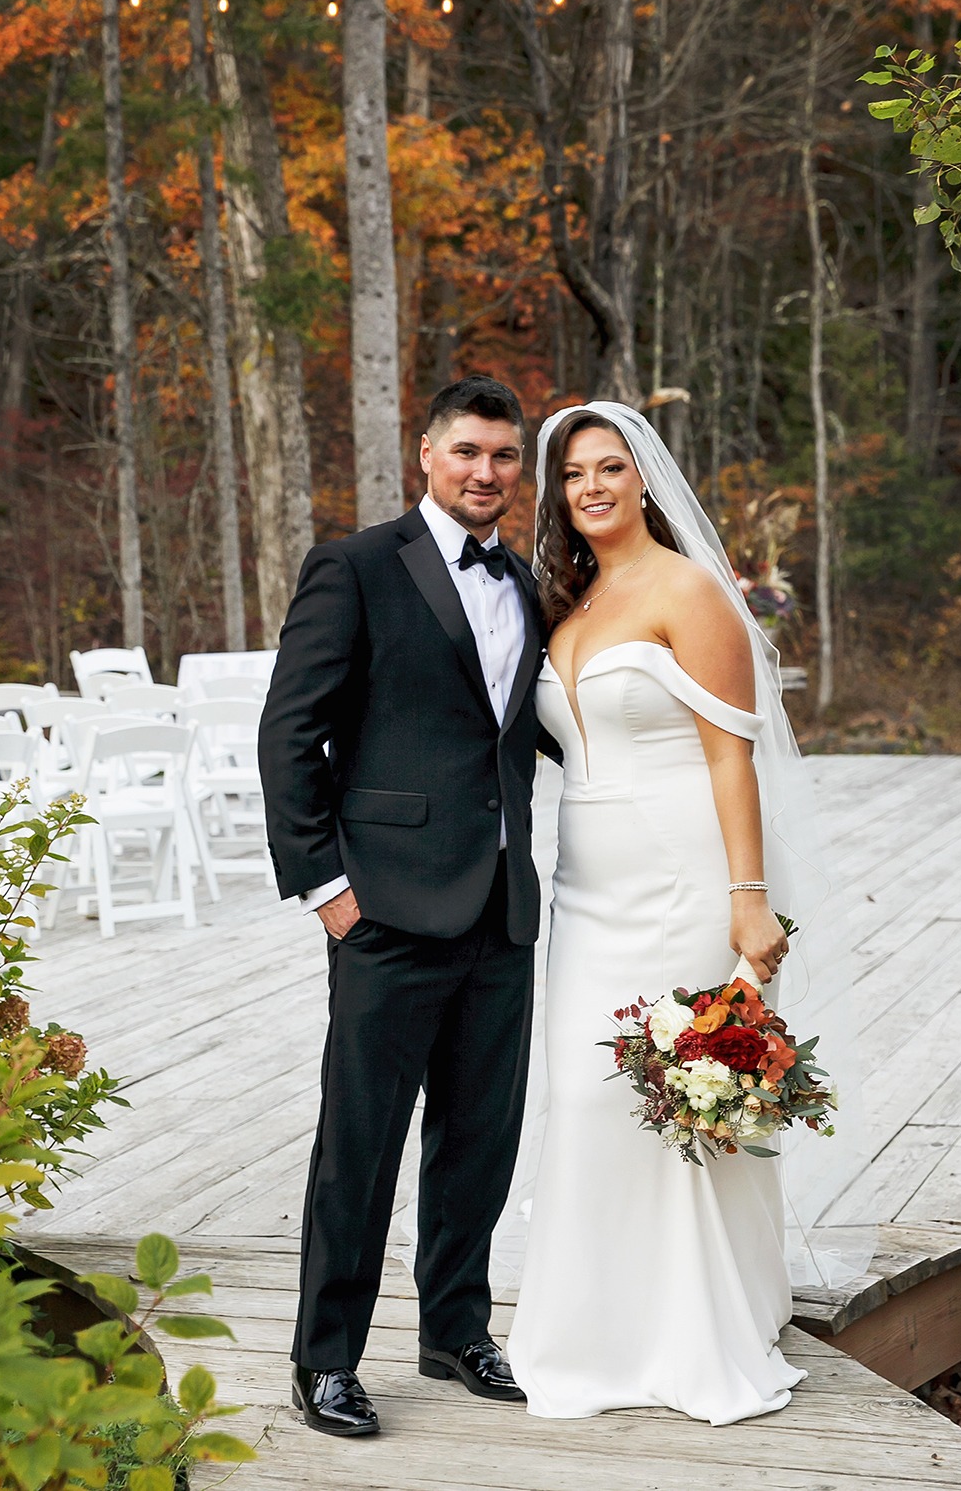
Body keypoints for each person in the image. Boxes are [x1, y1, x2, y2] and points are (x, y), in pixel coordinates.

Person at [258, 375, 553, 1440]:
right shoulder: (354, 567)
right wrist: (328, 891)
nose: (485, 472)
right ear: (425, 454)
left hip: (501, 909)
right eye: (466, 451)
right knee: (362, 1140)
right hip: (382, 910)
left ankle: (454, 1327)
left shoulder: (525, 582)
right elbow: (289, 735)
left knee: (480, 1134)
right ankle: (324, 1359)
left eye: (503, 457)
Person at [507, 400, 811, 1426]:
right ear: (556, 494)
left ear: (643, 480)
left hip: (683, 872)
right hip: (585, 887)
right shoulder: (569, 603)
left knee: (678, 1094)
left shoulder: (689, 590)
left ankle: (694, 1332)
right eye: (572, 475)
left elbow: (732, 754)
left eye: (608, 468)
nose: (590, 487)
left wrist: (747, 898)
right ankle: (590, 1332)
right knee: (588, 1093)